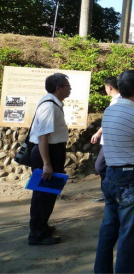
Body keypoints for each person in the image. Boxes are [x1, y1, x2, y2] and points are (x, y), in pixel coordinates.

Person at [94, 70, 134, 274]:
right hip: (131, 177)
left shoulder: (110, 111)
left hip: (111, 175)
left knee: (108, 229)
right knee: (131, 233)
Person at [27, 73, 71, 245]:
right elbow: (42, 137)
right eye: (67, 85)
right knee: (42, 194)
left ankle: (42, 225)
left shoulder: (53, 103)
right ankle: (36, 234)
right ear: (58, 88)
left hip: (53, 151)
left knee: (49, 192)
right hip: (47, 153)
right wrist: (47, 163)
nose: (70, 88)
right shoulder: (49, 106)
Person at [90, 76, 121, 203]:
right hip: (107, 140)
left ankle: (110, 192)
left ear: (109, 87)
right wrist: (98, 133)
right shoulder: (115, 100)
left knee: (101, 166)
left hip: (111, 141)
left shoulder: (118, 101)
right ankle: (108, 192)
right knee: (103, 166)